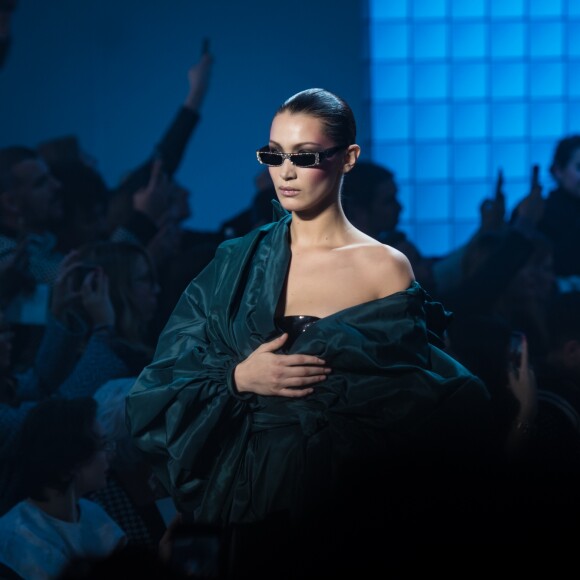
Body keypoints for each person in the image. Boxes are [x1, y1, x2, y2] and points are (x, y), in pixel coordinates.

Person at [126, 88, 493, 574]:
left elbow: (406, 403)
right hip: (243, 492)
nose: (286, 171)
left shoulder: (384, 268)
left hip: (344, 499)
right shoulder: (236, 261)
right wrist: (238, 379)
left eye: (304, 156)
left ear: (349, 158)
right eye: (273, 155)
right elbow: (164, 380)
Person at [0, 397, 127, 579]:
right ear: (68, 460)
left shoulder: (93, 513)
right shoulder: (14, 539)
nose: (110, 454)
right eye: (102, 446)